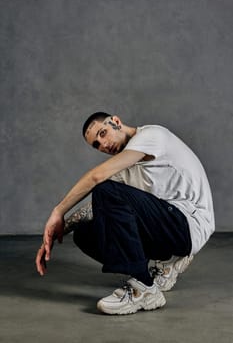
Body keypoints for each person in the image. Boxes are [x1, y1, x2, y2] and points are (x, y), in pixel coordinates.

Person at [36, 112, 215, 315]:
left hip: (189, 224)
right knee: (86, 234)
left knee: (104, 189)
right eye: (96, 144)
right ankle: (167, 262)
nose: (103, 144)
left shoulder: (151, 136)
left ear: (116, 122)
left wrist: (58, 212)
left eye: (103, 133)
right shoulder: (127, 169)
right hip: (170, 226)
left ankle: (144, 287)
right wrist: (57, 232)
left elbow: (97, 177)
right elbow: (99, 209)